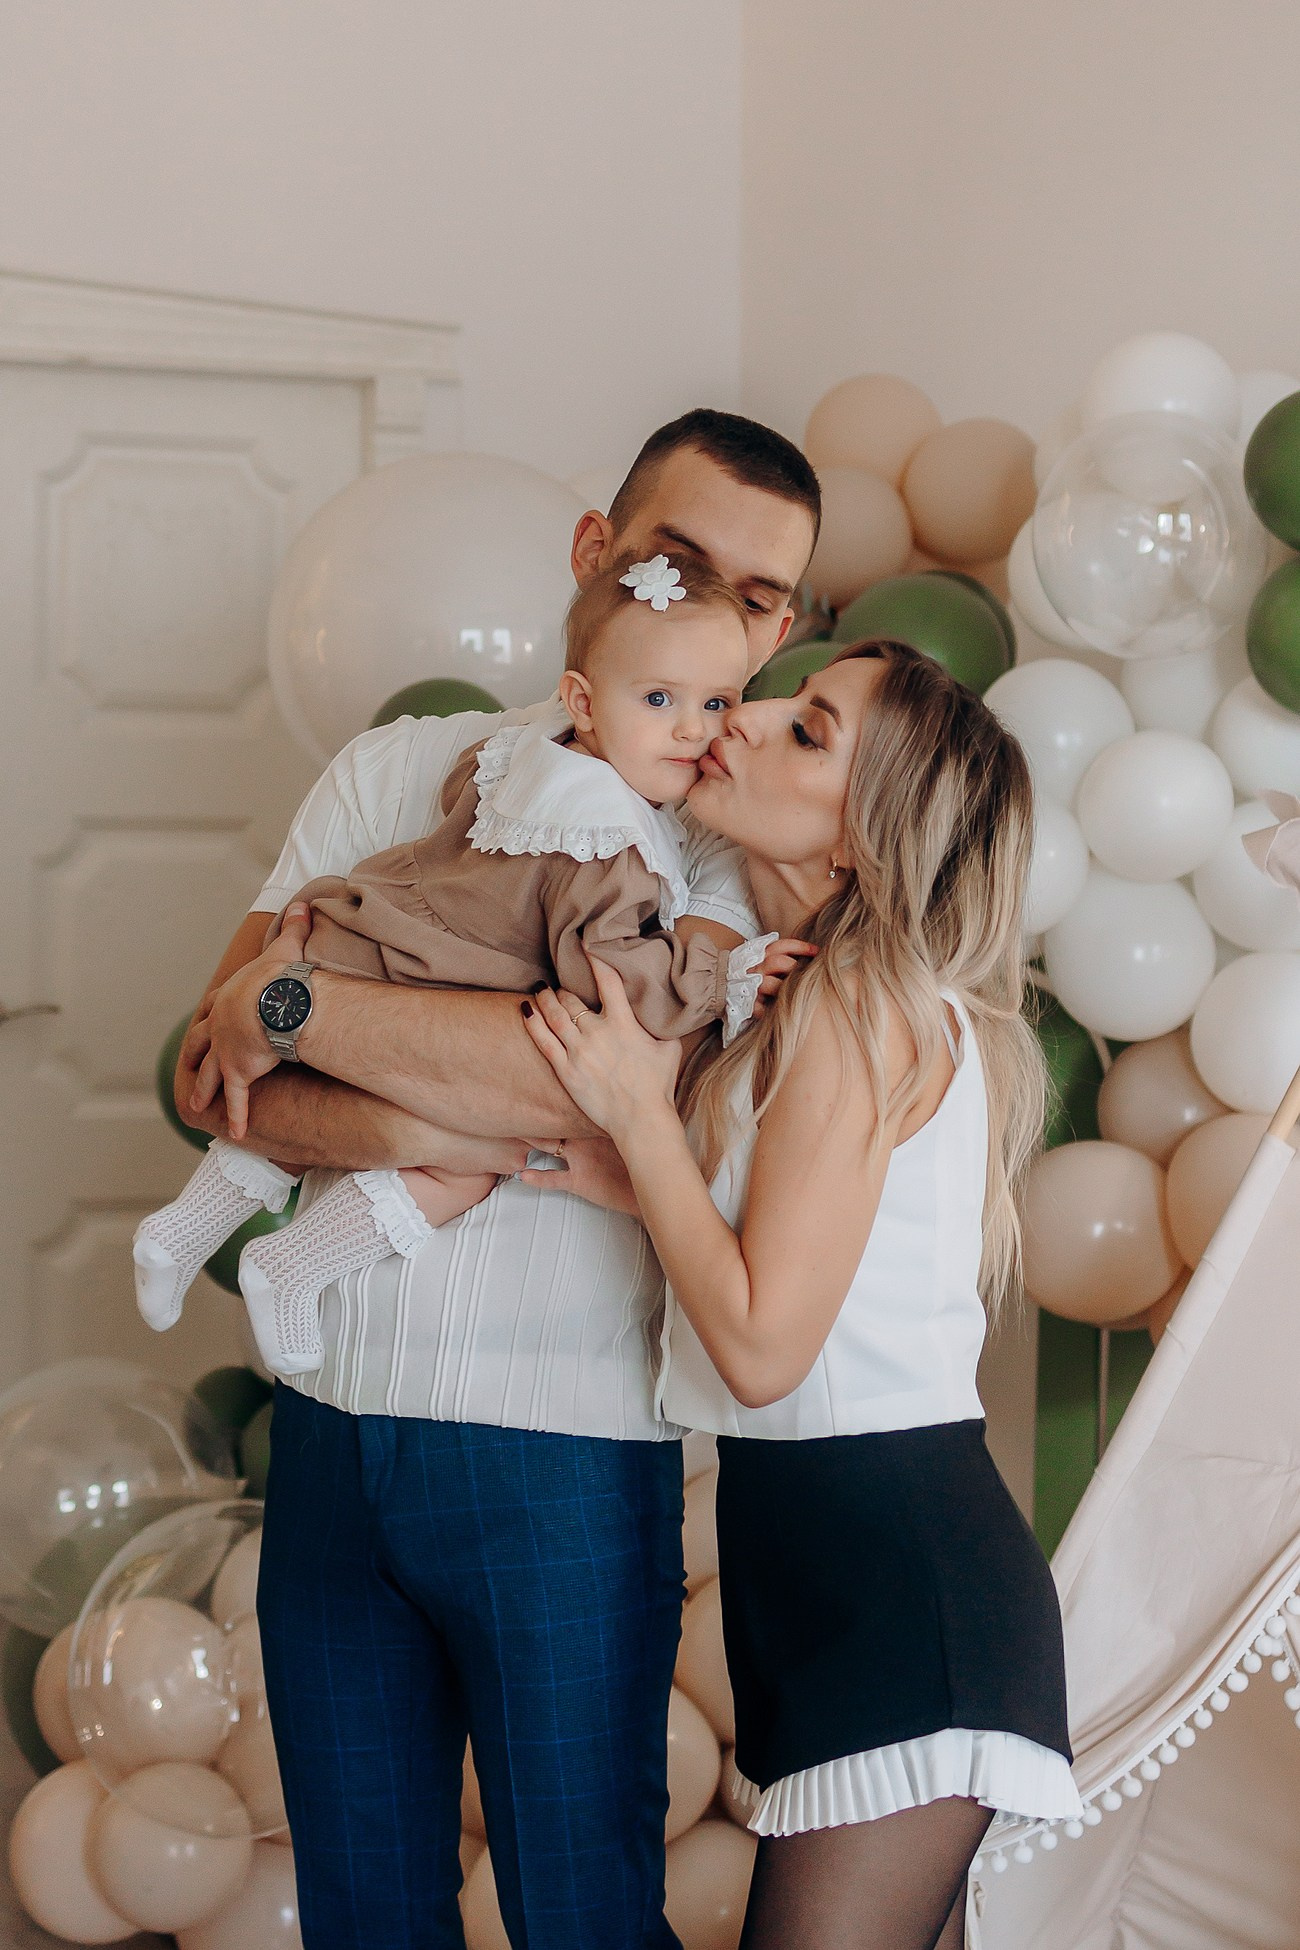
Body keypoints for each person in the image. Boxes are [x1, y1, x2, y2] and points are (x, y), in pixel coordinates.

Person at [179, 409, 821, 1950]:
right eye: (678, 561)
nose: (717, 613)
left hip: (564, 1459)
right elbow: (217, 1077)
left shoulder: (732, 842)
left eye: (759, 596)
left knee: (581, 1917)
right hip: (330, 1435)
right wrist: (478, 1110)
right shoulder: (396, 768)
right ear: (597, 552)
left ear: (783, 627)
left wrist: (302, 1007)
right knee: (365, 1916)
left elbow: (611, 1077)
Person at [519, 641, 1082, 1950]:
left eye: (810, 729)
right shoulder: (824, 996)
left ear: (865, 831)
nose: (750, 715)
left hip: (898, 1592)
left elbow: (767, 1346)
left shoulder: (864, 1004)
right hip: (842, 1578)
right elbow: (793, 1263)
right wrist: (637, 1168)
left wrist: (638, 1117)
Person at [135, 550, 794, 1378]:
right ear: (583, 700)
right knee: (470, 1162)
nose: (693, 730)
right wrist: (722, 979)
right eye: (660, 700)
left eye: (716, 703)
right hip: (419, 976)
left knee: (304, 1100)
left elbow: (458, 800)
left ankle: (182, 1231)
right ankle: (294, 1265)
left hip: (355, 937)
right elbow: (615, 993)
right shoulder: (610, 844)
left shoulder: (521, 758)